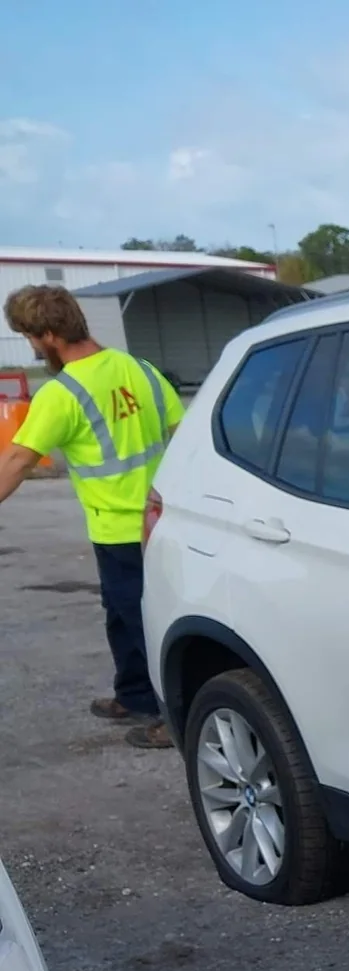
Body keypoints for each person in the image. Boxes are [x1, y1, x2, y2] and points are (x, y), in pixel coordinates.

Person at [0, 285, 183, 749]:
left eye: (30, 337)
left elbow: (18, 460)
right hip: (159, 521)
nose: (32, 347)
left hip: (122, 528)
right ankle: (135, 694)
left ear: (48, 335)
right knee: (121, 614)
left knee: (144, 622)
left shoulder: (62, 393)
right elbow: (180, 431)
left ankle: (177, 717)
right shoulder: (139, 368)